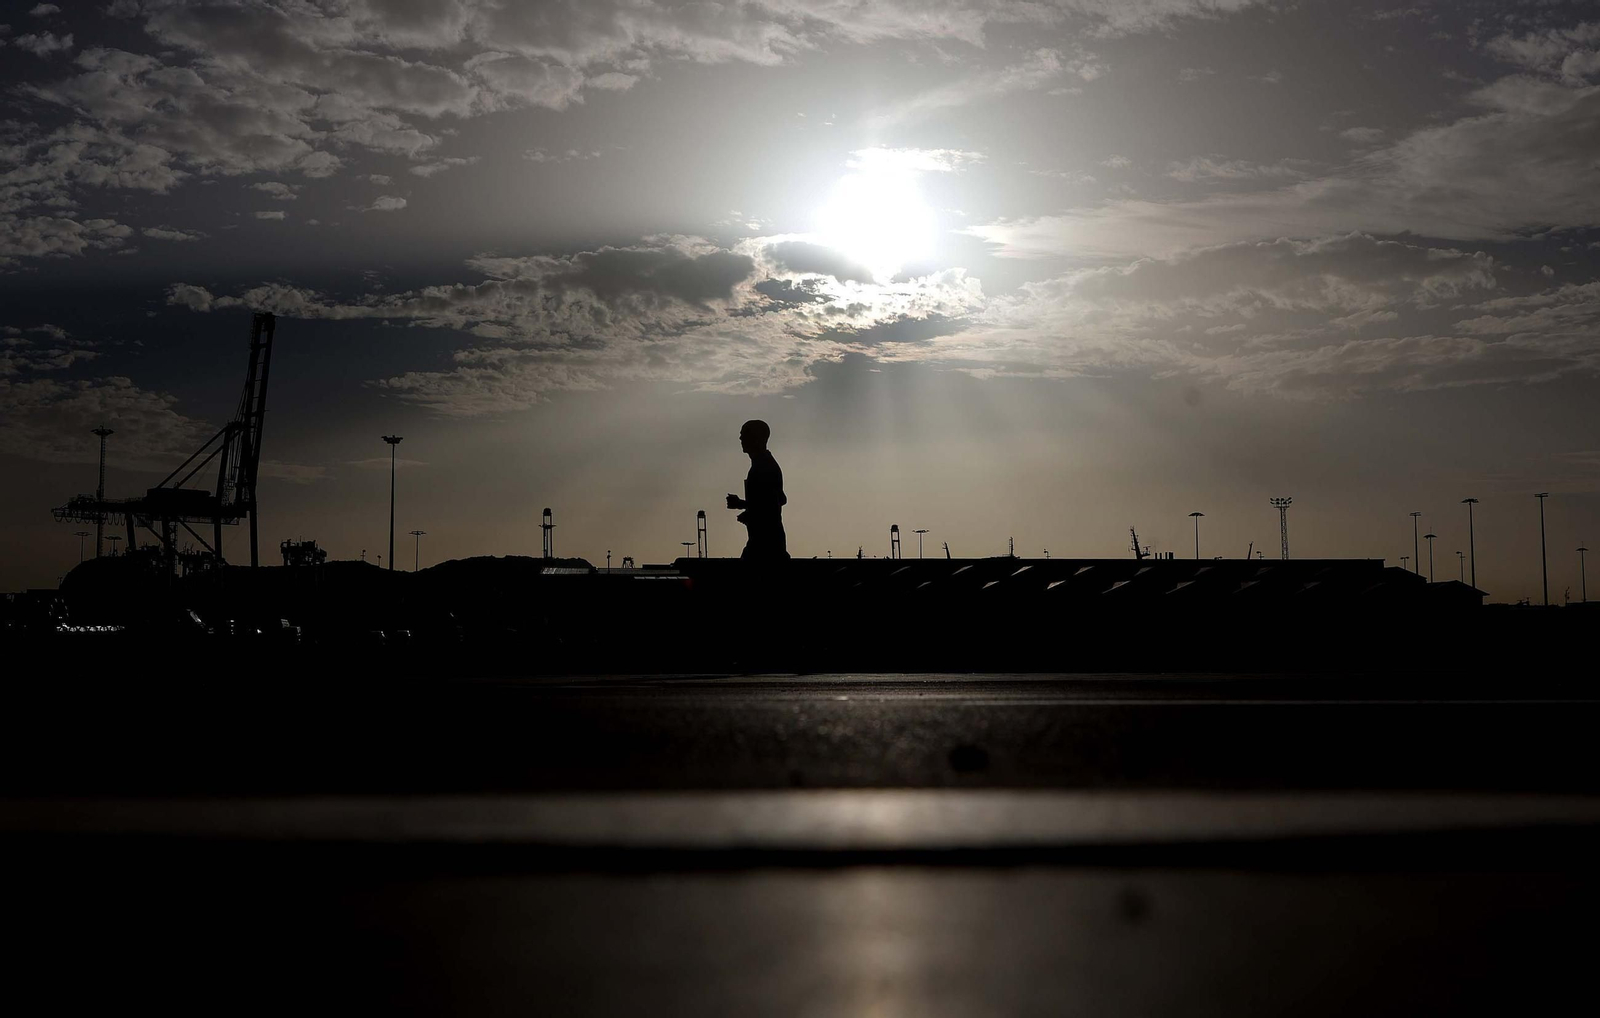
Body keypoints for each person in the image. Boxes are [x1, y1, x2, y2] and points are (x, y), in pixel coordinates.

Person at [726, 419, 789, 561]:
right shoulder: (765, 464)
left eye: (744, 434)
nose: (740, 438)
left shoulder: (763, 467)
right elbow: (780, 499)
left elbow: (771, 504)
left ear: (758, 438)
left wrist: (742, 505)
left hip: (764, 544)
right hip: (767, 542)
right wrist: (749, 510)